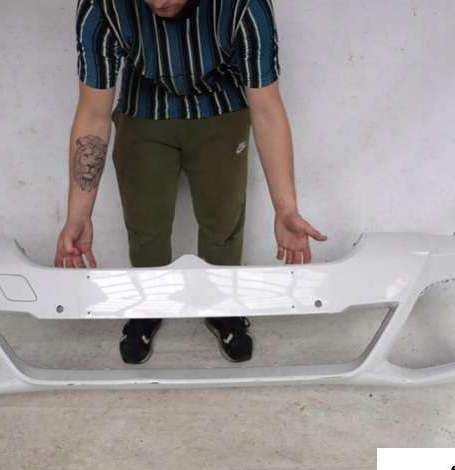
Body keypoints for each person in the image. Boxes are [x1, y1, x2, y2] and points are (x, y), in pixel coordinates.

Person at [54, 0, 327, 365]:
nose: (160, 1)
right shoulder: (102, 7)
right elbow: (93, 113)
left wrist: (286, 208)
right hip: (143, 110)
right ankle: (149, 303)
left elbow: (267, 109)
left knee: (223, 219)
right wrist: (78, 215)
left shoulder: (245, 6)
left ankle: (223, 306)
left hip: (221, 109)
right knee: (145, 222)